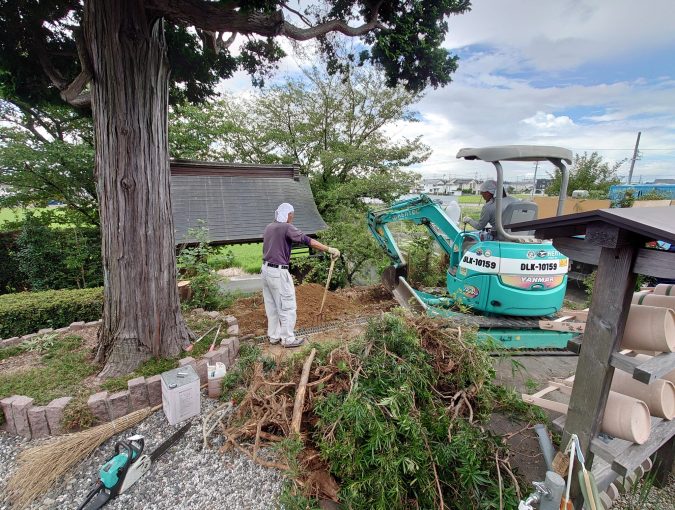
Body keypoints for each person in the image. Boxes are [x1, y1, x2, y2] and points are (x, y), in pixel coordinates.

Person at [261, 202, 340, 348]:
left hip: (265, 271)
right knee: (287, 305)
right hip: (278, 272)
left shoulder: (269, 227)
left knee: (271, 306)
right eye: (292, 215)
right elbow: (307, 241)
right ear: (288, 215)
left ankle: (274, 337)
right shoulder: (286, 227)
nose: (292, 218)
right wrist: (329, 249)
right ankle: (288, 339)